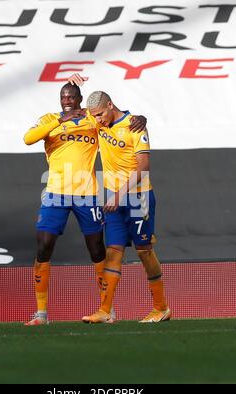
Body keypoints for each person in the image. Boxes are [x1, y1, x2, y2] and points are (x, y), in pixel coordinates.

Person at [23, 82, 147, 325]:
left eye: (71, 97)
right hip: (55, 193)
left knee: (97, 250)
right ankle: (41, 314)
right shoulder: (49, 119)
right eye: (63, 97)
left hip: (86, 194)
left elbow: (116, 118)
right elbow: (28, 138)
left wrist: (141, 118)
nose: (66, 100)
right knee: (43, 246)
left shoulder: (92, 119)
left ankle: (106, 309)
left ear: (79, 98)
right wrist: (63, 119)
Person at [76, 88, 171, 323]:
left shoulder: (135, 126)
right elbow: (71, 110)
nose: (97, 120)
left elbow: (143, 167)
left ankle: (161, 308)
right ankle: (105, 311)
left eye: (99, 114)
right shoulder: (98, 121)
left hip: (138, 198)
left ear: (110, 105)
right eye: (94, 116)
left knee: (143, 251)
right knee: (113, 251)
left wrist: (118, 195)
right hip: (114, 201)